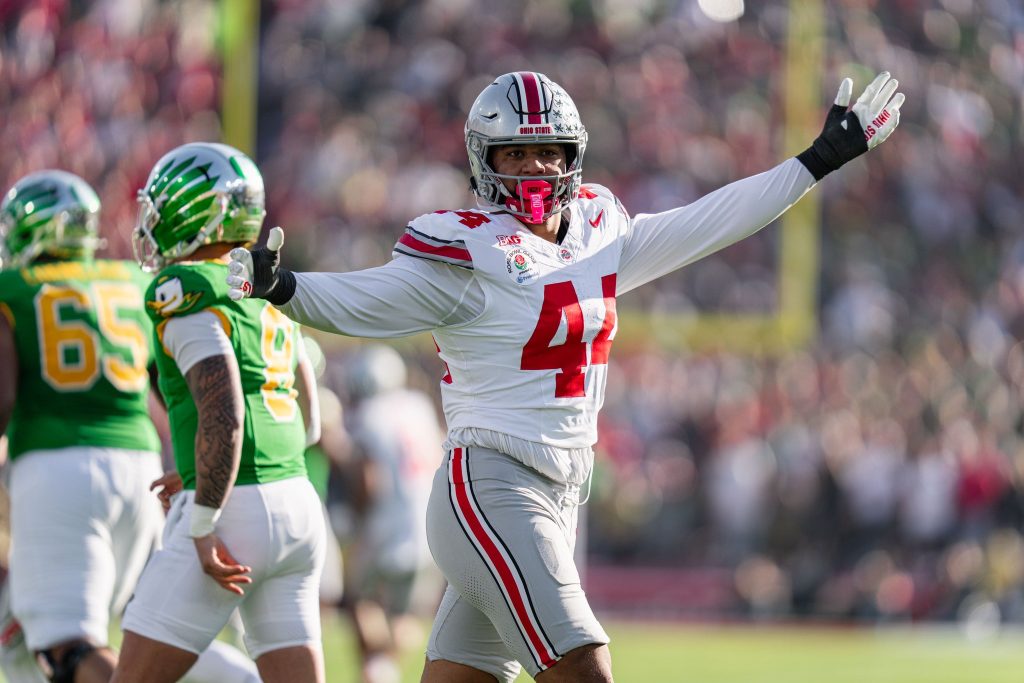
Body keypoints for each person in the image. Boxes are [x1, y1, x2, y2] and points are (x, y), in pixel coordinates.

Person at [226, 70, 905, 682]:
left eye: (548, 149)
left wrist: (818, 161)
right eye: (515, 152)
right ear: (483, 160)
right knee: (584, 669)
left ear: (573, 156)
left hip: (559, 496)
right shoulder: (467, 248)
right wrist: (284, 285)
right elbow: (369, 299)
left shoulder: (601, 232)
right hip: (493, 484)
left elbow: (710, 222)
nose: (534, 166)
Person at [0, 170, 263, 683]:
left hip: (55, 470)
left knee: (66, 649)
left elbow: (3, 395)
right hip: (140, 469)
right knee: (149, 628)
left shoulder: (13, 288)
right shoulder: (132, 281)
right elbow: (173, 387)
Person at [109, 143, 326, 683]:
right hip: (298, 506)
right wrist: (198, 464)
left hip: (231, 511)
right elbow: (309, 423)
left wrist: (205, 515)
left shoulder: (183, 289)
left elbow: (224, 412)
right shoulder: (264, 286)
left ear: (196, 214)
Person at [343, 345, 444, 683]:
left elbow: (370, 481)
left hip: (388, 525)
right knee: (408, 614)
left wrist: (356, 519)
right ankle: (384, 669)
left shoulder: (369, 415)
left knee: (360, 601)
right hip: (428, 524)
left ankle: (377, 670)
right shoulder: (419, 407)